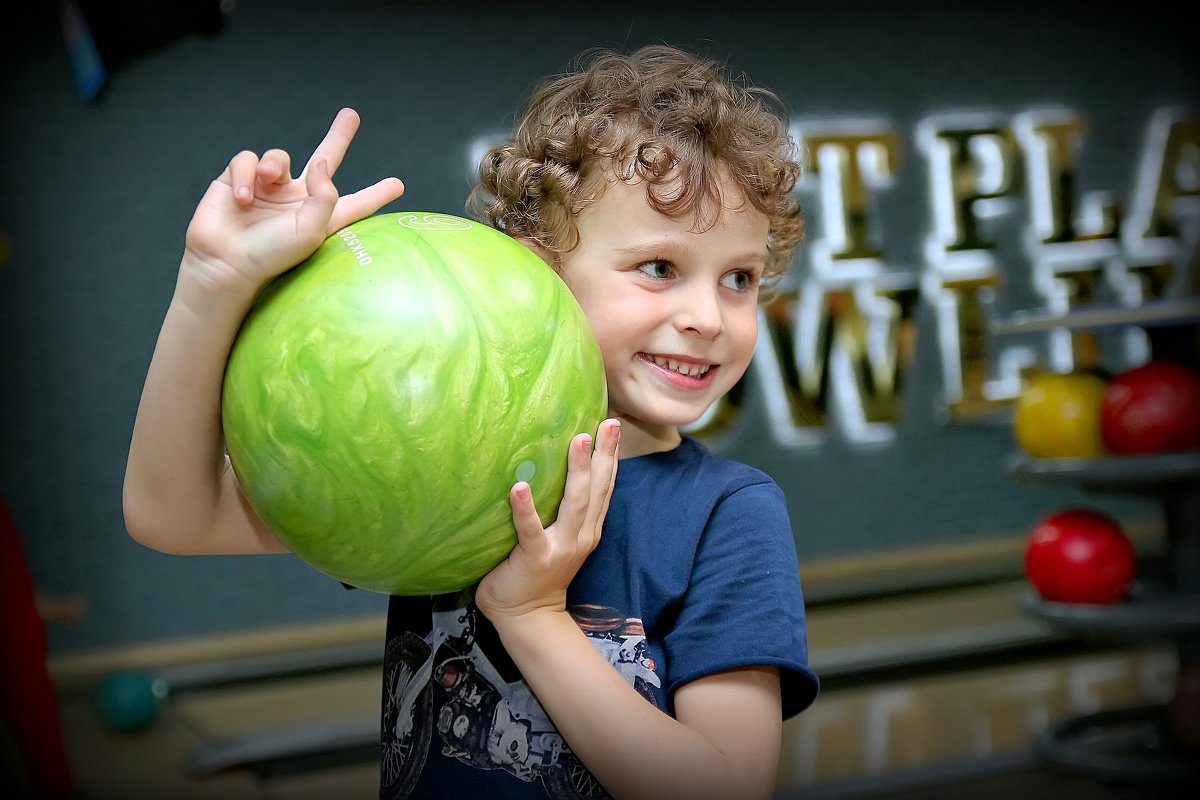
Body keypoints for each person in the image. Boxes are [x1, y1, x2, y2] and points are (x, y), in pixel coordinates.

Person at [123, 44, 818, 800]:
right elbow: (169, 515)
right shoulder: (450, 460)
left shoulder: (728, 513)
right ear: (534, 268)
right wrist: (212, 285)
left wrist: (532, 616)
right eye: (659, 267)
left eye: (740, 278)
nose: (708, 318)